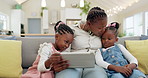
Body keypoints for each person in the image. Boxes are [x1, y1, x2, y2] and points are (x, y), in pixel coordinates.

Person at [55, 7, 108, 78]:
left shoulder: (103, 34)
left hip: (94, 65)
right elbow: (64, 51)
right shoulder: (72, 31)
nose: (103, 30)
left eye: (105, 27)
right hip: (72, 65)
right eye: (100, 28)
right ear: (89, 24)